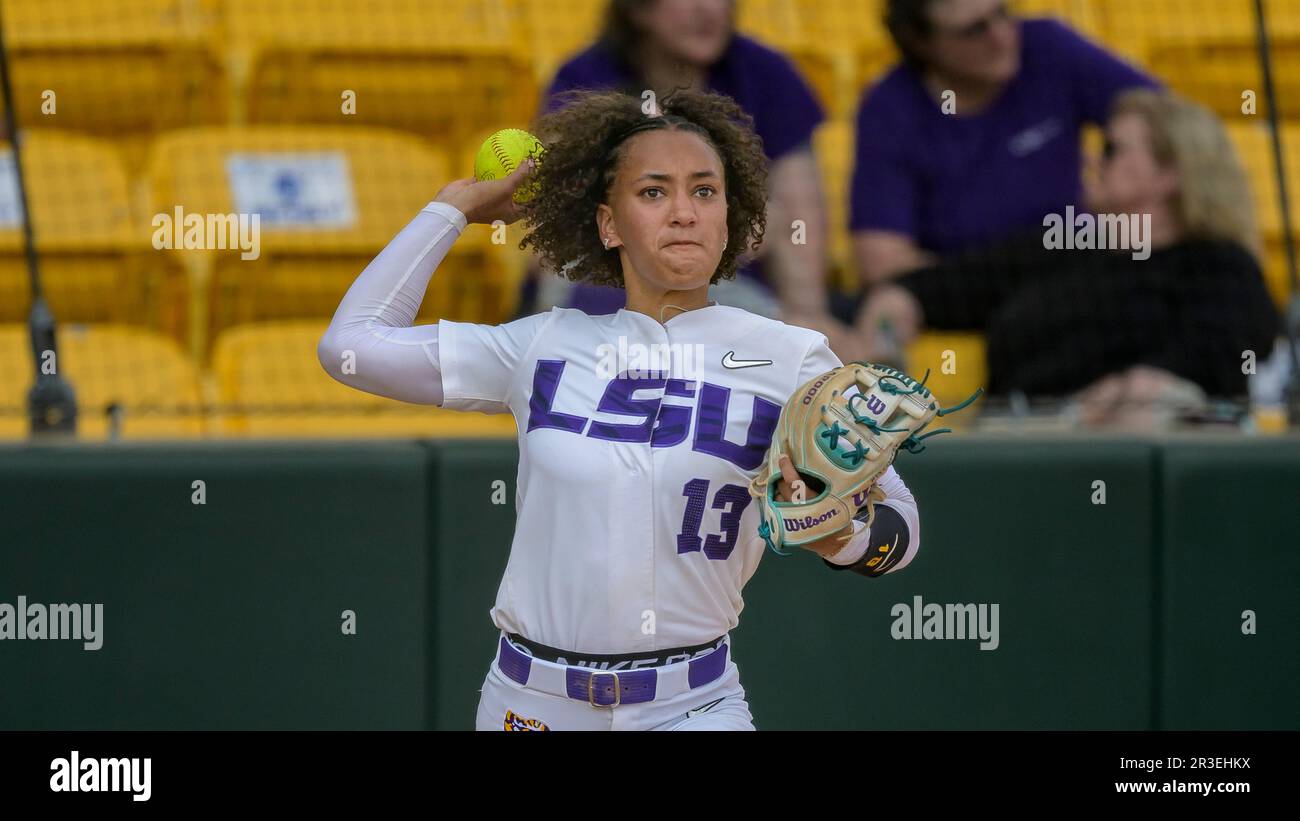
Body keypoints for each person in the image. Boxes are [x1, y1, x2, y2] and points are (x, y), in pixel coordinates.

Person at [317, 88, 922, 730]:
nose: (684, 212)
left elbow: (902, 531)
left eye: (705, 191)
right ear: (609, 225)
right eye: (654, 192)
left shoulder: (793, 357)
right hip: (532, 706)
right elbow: (351, 345)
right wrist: (454, 209)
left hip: (695, 704)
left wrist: (844, 538)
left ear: (729, 217)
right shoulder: (542, 343)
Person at [856, 89, 1280, 430]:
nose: (1094, 160)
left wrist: (1109, 399)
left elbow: (1219, 356)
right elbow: (926, 289)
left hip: (1144, 441)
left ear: (1170, 173)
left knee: (1150, 403)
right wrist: (891, 320)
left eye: (1113, 149)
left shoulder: (1221, 266)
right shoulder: (1062, 247)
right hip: (1020, 438)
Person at [520, 0, 867, 360]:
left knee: (778, 224)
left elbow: (797, 213)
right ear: (638, 10)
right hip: (605, 288)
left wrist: (809, 318)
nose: (708, 9)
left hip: (730, 289)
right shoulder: (584, 79)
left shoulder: (767, 74)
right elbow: (550, 238)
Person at [848, 0, 1159, 291]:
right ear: (919, 42)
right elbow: (883, 263)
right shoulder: (889, 110)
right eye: (974, 29)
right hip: (966, 297)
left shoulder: (1049, 47)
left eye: (1003, 12)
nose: (1002, 36)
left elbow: (1174, 127)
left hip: (1076, 267)